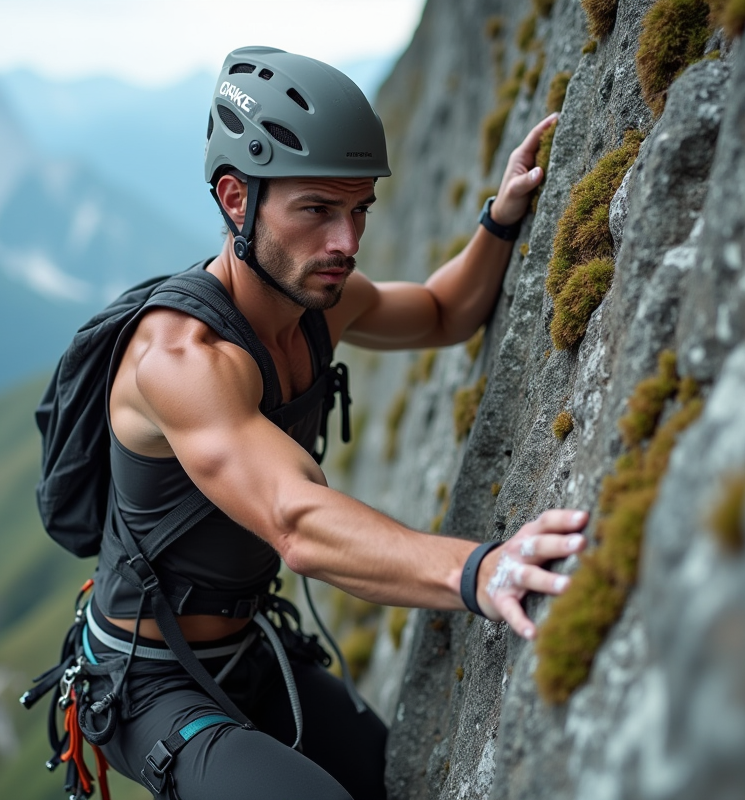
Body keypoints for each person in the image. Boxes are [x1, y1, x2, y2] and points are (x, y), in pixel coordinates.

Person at [85, 46, 586, 800]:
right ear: (236, 199)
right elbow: (295, 522)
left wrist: (500, 217)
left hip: (249, 650)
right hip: (149, 683)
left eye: (360, 210)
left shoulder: (321, 301)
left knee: (394, 784)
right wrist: (482, 571)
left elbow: (443, 312)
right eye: (317, 210)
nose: (346, 243)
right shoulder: (182, 362)